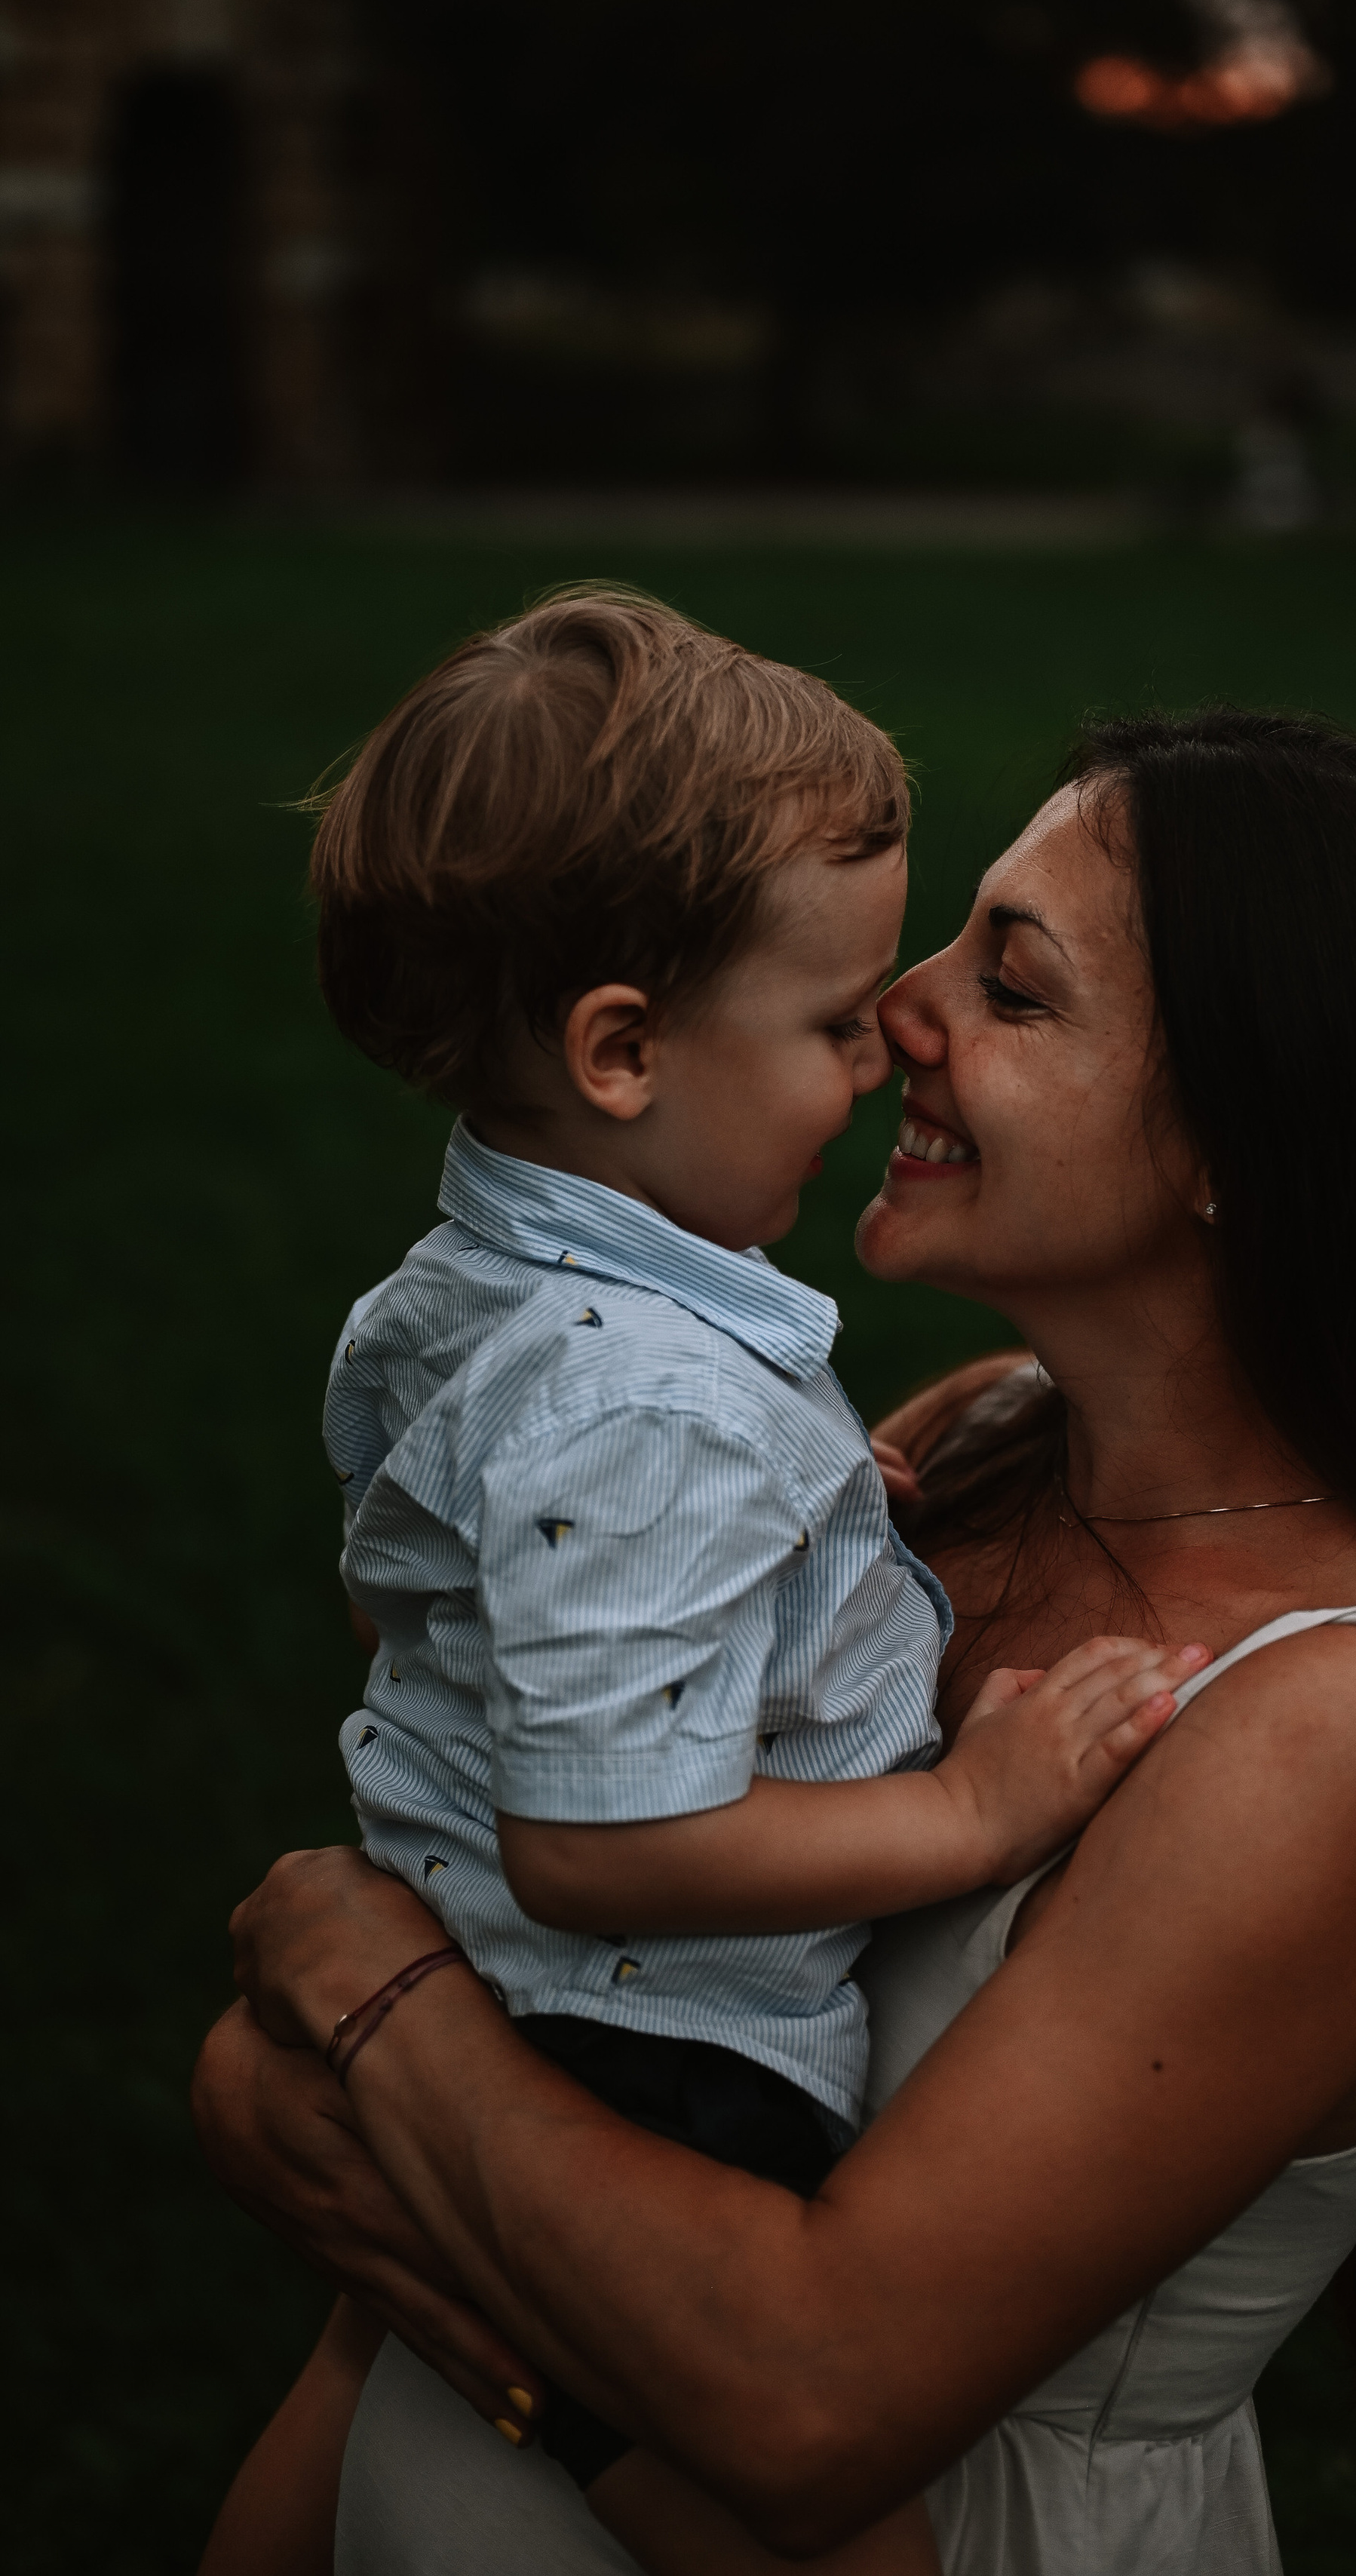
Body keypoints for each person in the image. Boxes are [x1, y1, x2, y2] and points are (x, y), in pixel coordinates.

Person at [198, 708, 1356, 2574]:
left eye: (1011, 986)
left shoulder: (1337, 1725)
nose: (895, 1008)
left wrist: (368, 2019)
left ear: (1247, 1140)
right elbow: (528, 2047)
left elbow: (801, 2404)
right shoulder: (973, 1447)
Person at [198, 598, 1205, 2576]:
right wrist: (970, 1810)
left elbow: (421, 1597)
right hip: (637, 2041)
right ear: (624, 1048)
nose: (881, 1042)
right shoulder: (640, 1410)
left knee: (363, 2370)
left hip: (499, 1979)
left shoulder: (479, 1299)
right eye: (834, 1026)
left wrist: (787, 1522)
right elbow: (597, 1845)